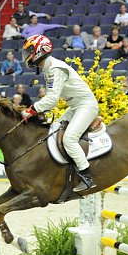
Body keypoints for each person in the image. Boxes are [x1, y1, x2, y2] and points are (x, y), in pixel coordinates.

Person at [20, 34, 99, 192]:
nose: (27, 55)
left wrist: (32, 109)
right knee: (54, 130)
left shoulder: (55, 68)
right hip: (76, 106)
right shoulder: (48, 68)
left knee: (69, 139)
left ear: (40, 50)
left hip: (86, 105)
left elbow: (52, 100)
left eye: (30, 51)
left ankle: (87, 176)